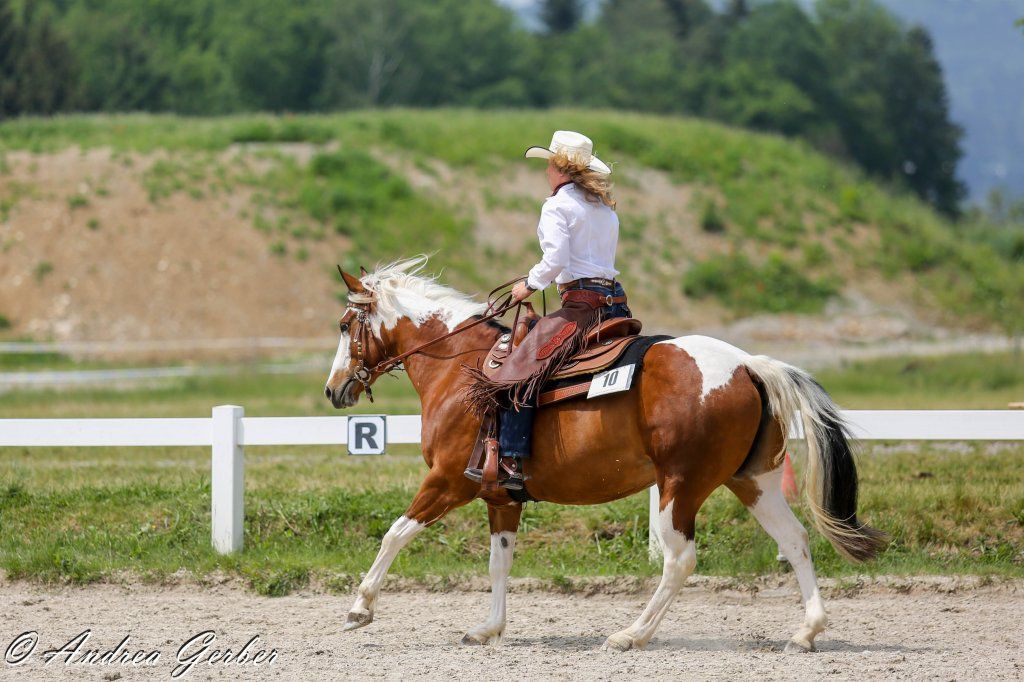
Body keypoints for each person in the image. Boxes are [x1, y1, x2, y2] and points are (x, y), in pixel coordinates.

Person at [463, 130, 632, 491]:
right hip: (614, 302)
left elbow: (554, 259)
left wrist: (529, 284)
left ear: (558, 167)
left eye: (548, 165)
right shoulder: (602, 205)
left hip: (581, 305)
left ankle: (509, 458)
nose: (546, 172)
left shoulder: (558, 205)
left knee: (518, 367)